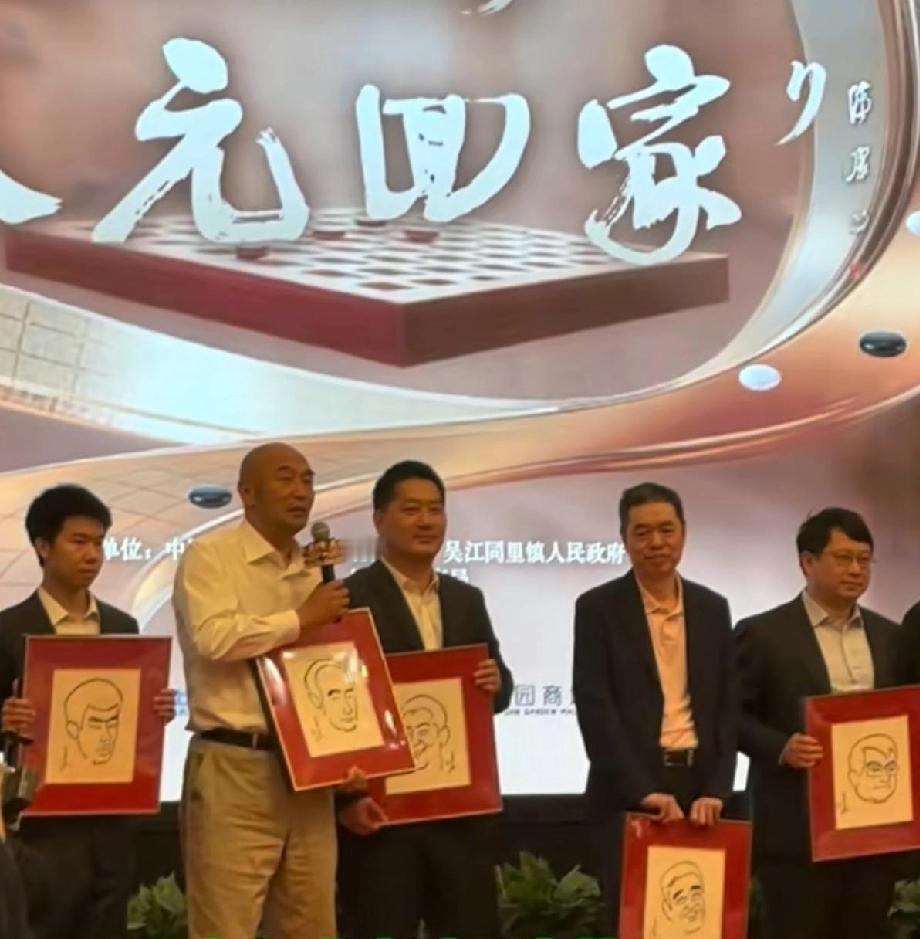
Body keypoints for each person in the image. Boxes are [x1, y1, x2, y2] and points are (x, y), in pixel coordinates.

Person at [173, 442, 353, 939]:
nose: (301, 492)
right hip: (236, 766)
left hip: (310, 774)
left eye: (308, 480)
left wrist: (352, 751)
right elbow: (214, 638)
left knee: (311, 925)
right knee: (226, 926)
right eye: (286, 478)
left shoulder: (314, 571)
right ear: (247, 493)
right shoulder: (210, 556)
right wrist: (301, 617)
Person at [337, 460, 513, 939]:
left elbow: (499, 689)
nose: (426, 521)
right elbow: (333, 710)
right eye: (411, 509)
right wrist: (345, 801)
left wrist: (496, 682)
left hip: (460, 814)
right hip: (381, 816)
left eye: (435, 510)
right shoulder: (348, 599)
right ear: (379, 520)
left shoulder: (466, 599)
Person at [0, 484, 175, 939]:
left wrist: (156, 710)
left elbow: (133, 718)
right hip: (40, 827)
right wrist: (5, 719)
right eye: (78, 541)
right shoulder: (9, 629)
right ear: (43, 546)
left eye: (99, 543)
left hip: (112, 820)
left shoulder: (122, 625)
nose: (92, 555)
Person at [572, 482, 737, 935]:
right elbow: (595, 706)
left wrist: (717, 790)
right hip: (628, 795)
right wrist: (642, 791)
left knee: (697, 924)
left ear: (684, 533)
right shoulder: (597, 608)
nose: (656, 542)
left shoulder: (711, 607)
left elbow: (728, 705)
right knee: (634, 923)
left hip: (701, 793)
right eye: (642, 533)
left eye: (667, 530)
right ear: (624, 539)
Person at [736, 507, 905, 939]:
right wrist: (780, 747)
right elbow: (728, 716)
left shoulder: (892, 637)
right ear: (807, 562)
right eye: (843, 558)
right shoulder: (763, 633)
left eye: (864, 559)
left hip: (872, 831)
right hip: (797, 831)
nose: (856, 570)